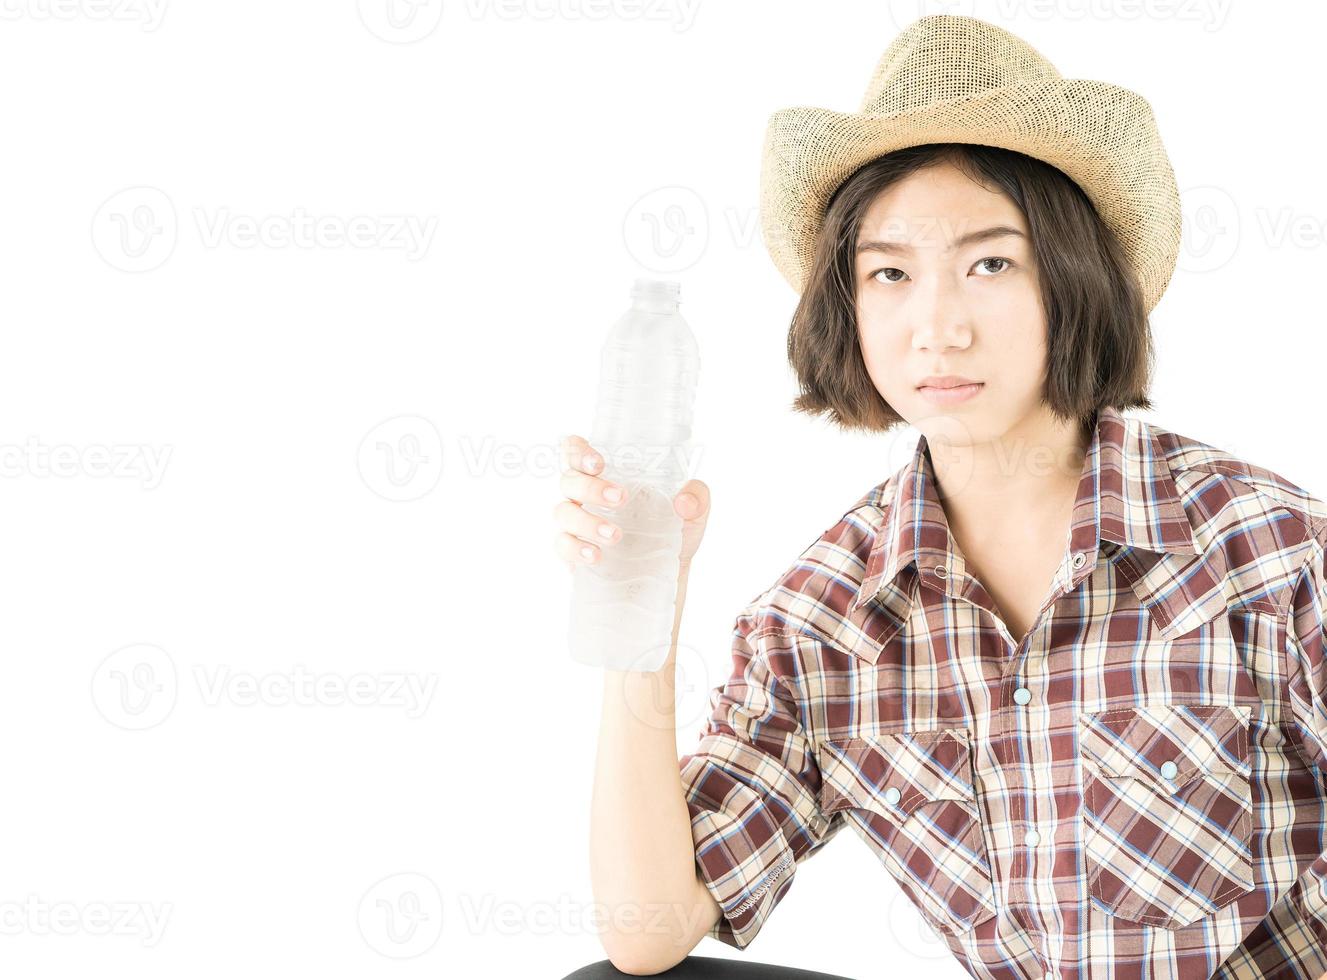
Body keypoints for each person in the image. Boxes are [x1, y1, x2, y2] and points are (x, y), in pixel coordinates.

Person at [556, 14, 1327, 980]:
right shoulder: (825, 620)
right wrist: (643, 622)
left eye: (989, 263)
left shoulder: (1267, 552)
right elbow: (646, 929)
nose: (936, 327)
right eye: (889, 273)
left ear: (1073, 279)